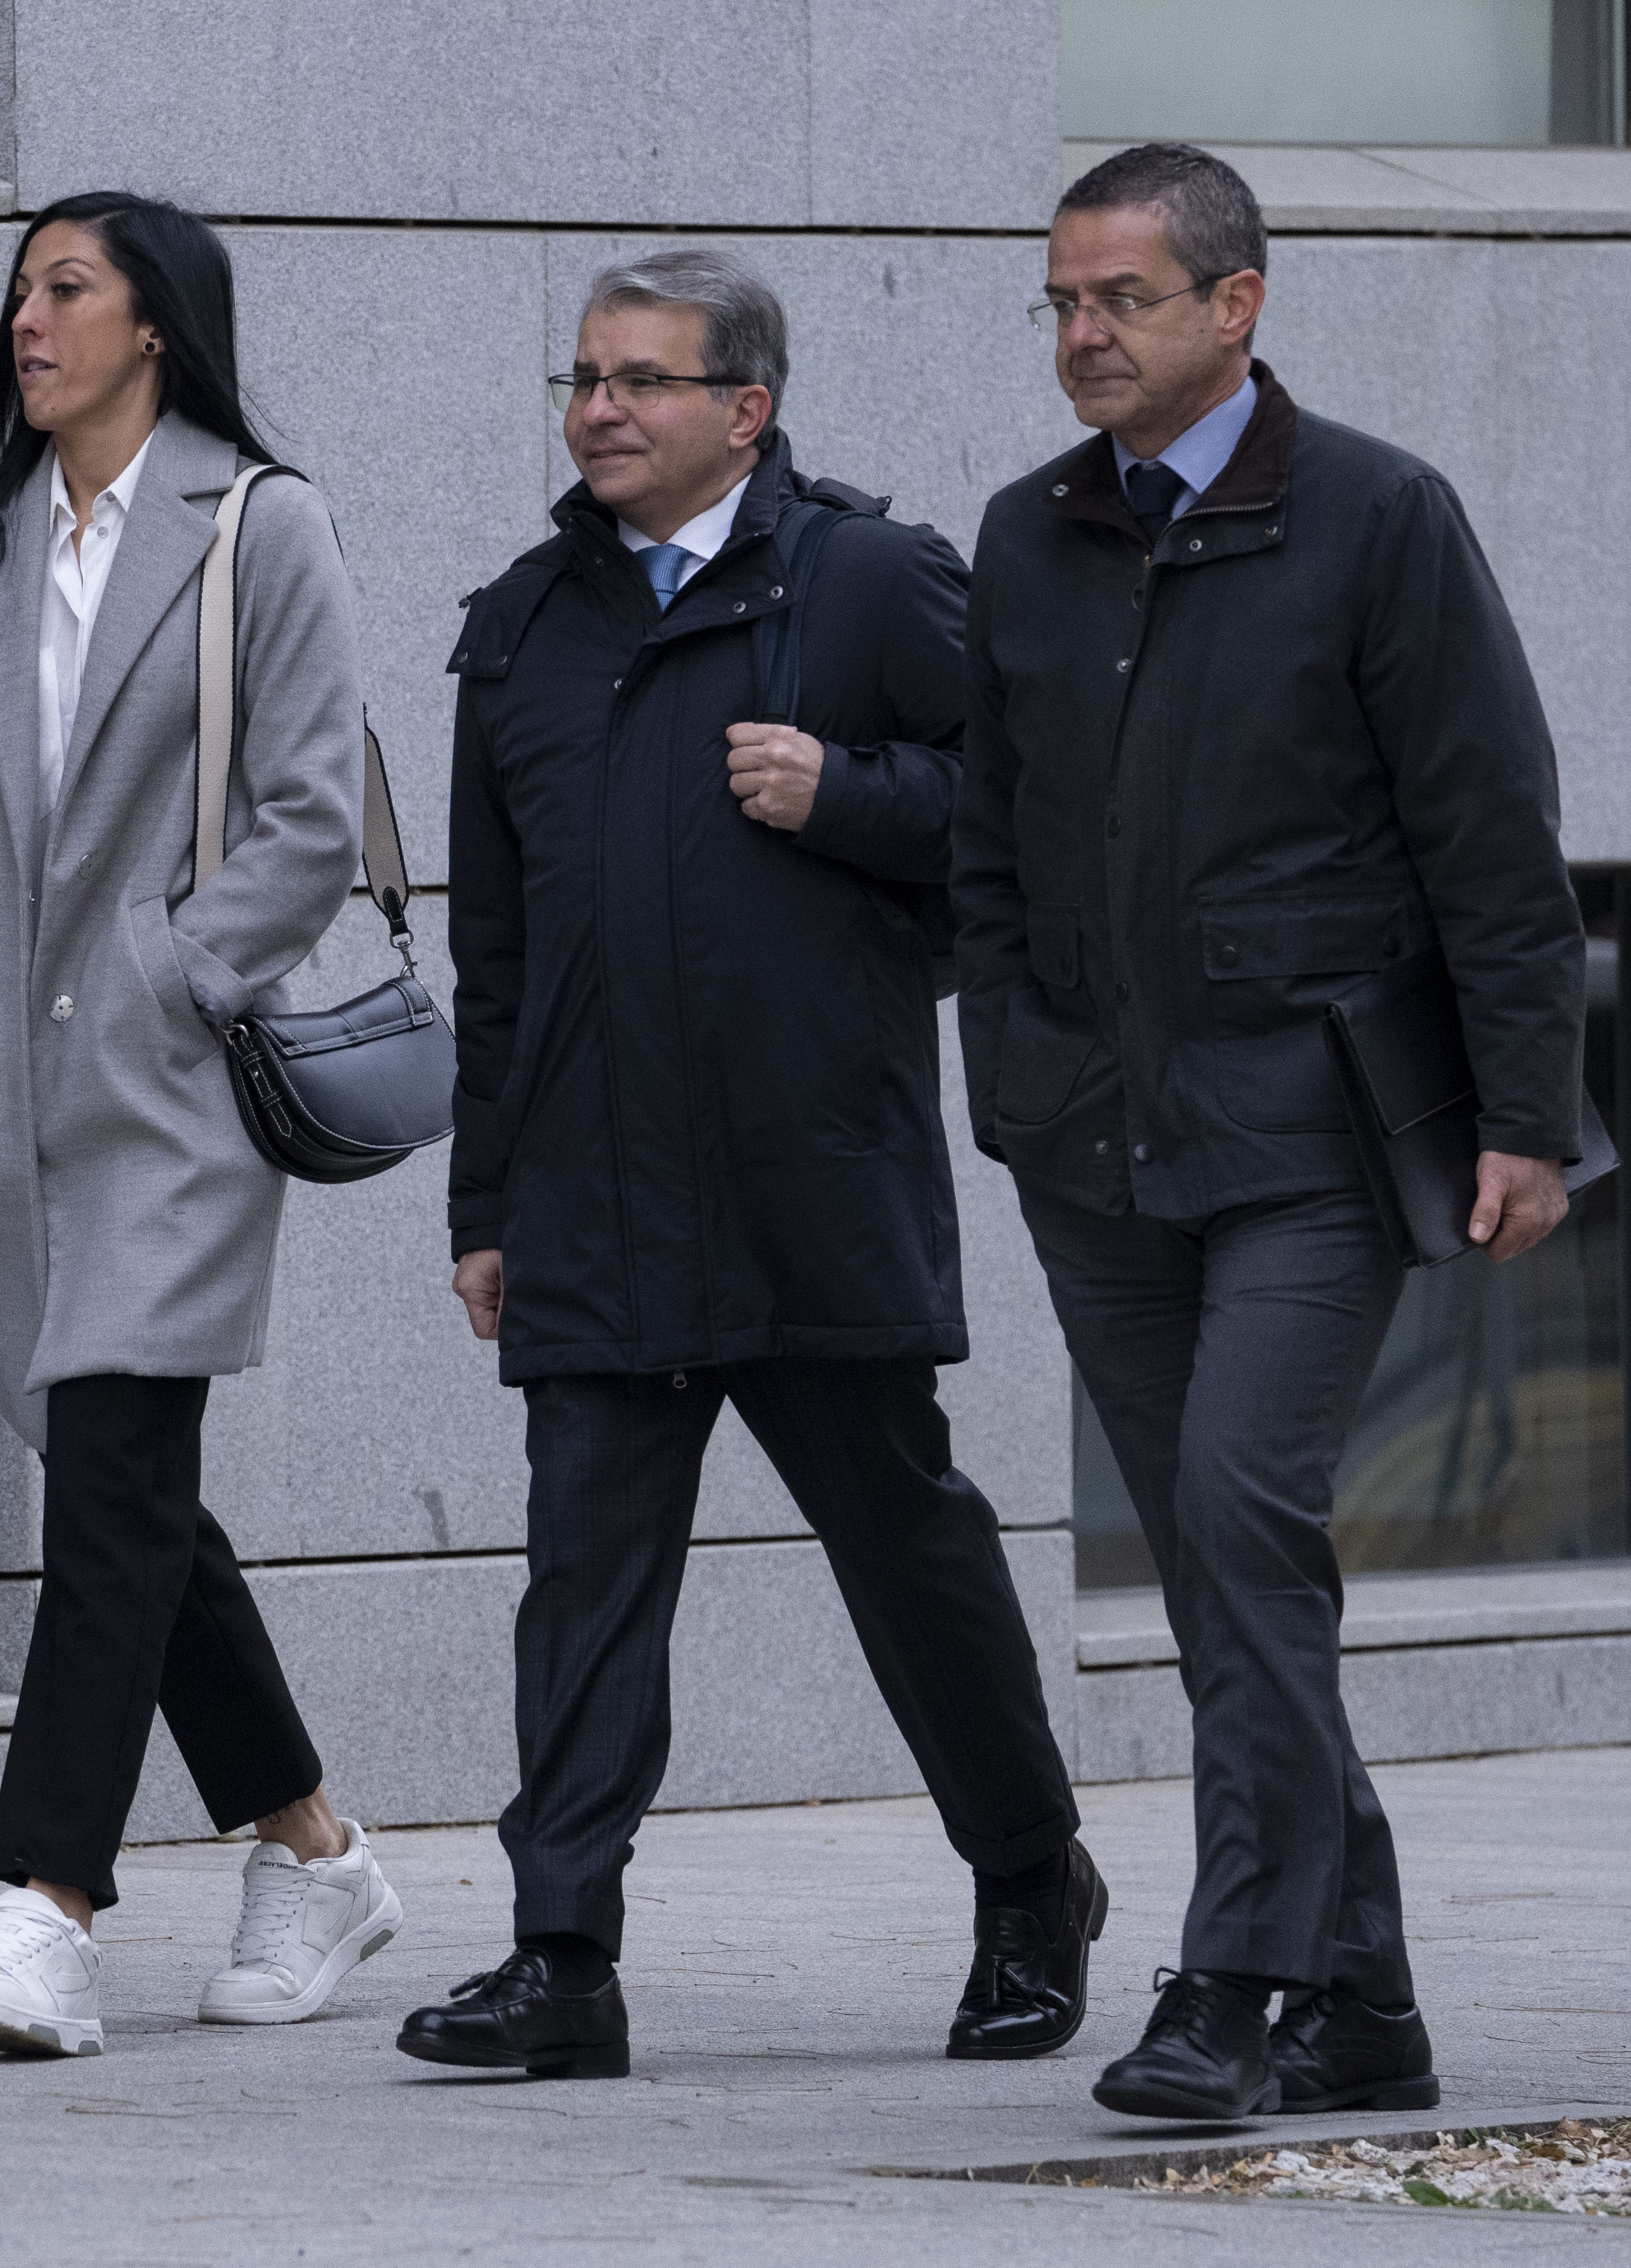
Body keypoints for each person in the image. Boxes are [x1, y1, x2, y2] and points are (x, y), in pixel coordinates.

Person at [394, 251, 1094, 2083]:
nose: (598, 408)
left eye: (641, 380)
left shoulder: (870, 581)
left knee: (908, 1554)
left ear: (747, 410)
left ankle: (1032, 1883)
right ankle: (563, 1961)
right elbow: (502, 958)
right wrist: (485, 1205)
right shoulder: (528, 621)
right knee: (584, 1581)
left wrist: (846, 793)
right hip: (594, 1196)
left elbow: (1026, 836)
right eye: (583, 377)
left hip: (812, 1181)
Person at [958, 144, 1586, 2120]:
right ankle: (1370, 2001)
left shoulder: (1379, 516)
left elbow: (1492, 834)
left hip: (1311, 1134)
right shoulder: (1025, 533)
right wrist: (1011, 1065)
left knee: (1239, 1518)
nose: (1083, 336)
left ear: (1238, 305)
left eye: (1122, 300)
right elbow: (989, 836)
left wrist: (1529, 1120)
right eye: (1062, 302)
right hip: (1096, 1139)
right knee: (1236, 1571)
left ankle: (1233, 1982)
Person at [0, 191, 403, 2060]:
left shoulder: (264, 524)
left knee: (106, 1486)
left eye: (64, 287)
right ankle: (316, 1851)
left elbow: (311, 814)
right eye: (16, 291)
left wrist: (175, 975)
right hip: (1, 1096)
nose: (26, 319)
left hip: (167, 1093)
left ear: (154, 322)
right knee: (130, 1495)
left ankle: (45, 1908)